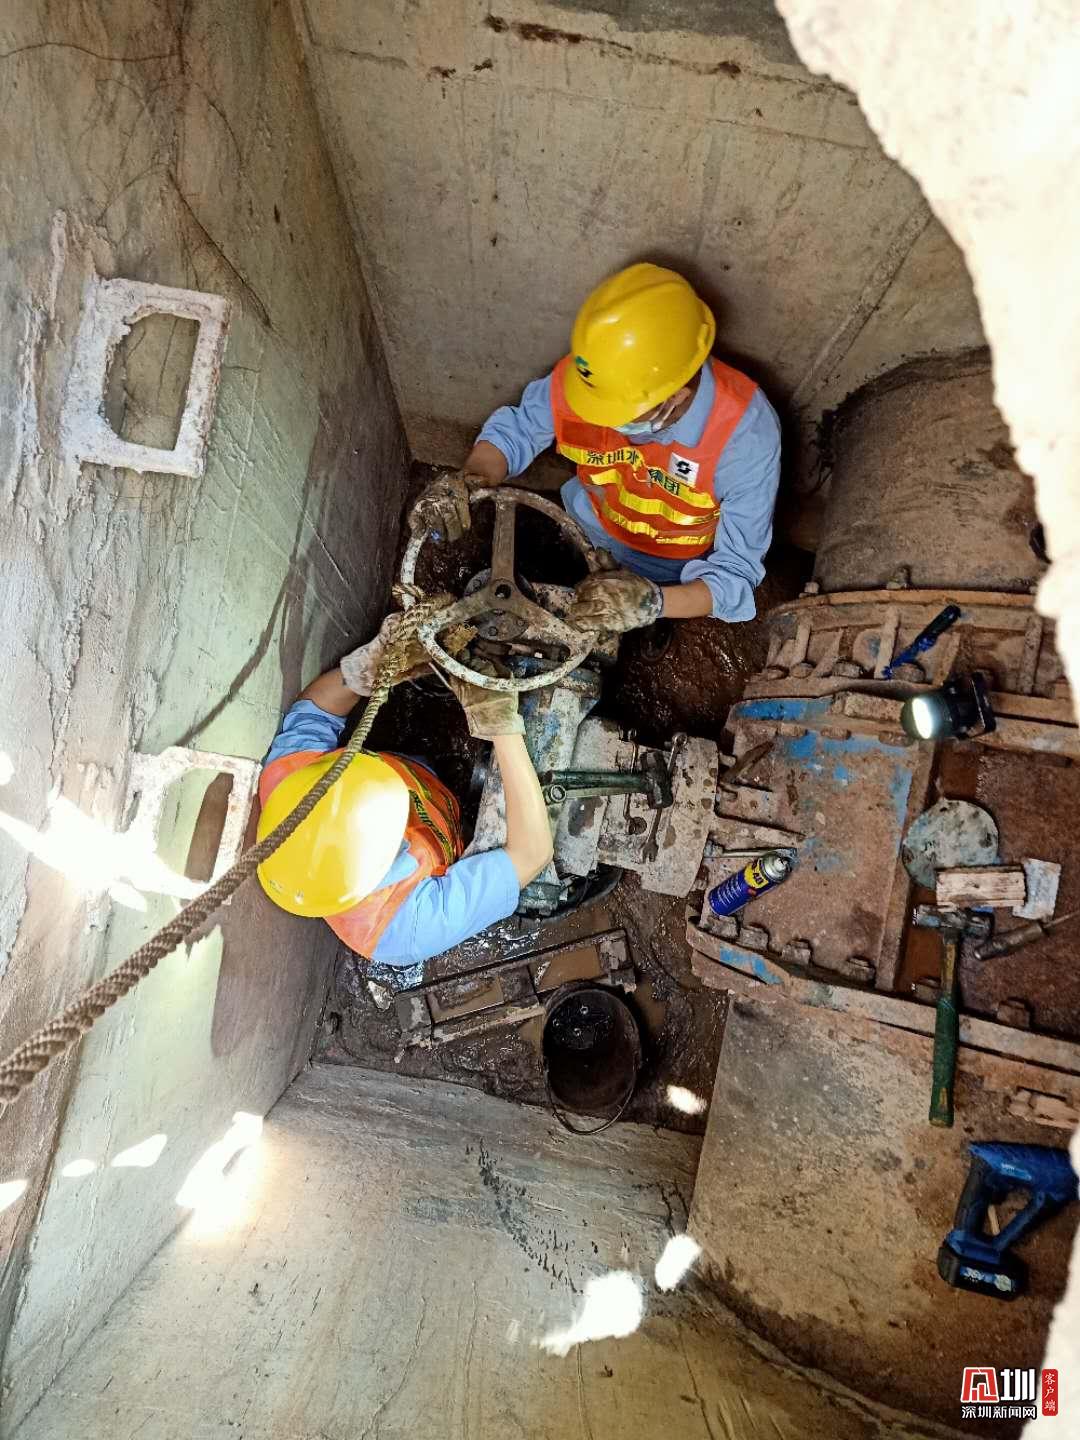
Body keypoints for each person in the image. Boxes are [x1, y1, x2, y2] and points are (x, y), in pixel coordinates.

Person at [412, 262, 781, 636]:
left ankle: (650, 628)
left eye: (614, 413)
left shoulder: (745, 440)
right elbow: (518, 429)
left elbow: (734, 575)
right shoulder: (595, 380)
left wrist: (652, 603)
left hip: (667, 568)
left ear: (675, 397)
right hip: (588, 524)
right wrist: (467, 481)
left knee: (640, 622)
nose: (596, 417)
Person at [255, 614, 553, 967]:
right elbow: (532, 854)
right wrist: (500, 723)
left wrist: (373, 668)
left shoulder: (292, 788)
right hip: (449, 822)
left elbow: (314, 712)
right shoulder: (403, 930)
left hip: (418, 773)